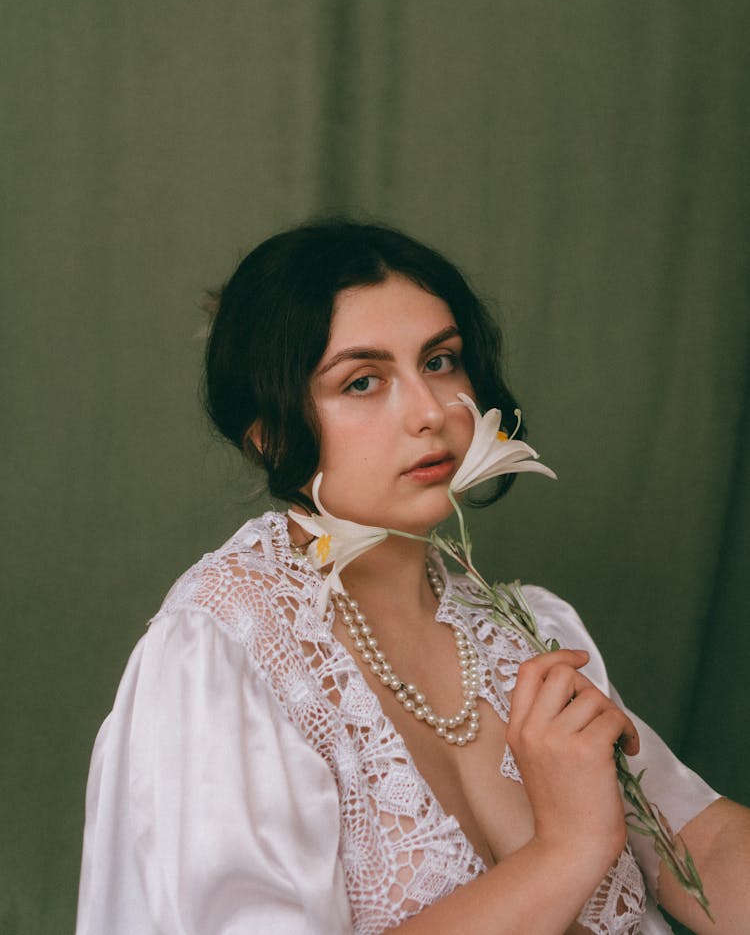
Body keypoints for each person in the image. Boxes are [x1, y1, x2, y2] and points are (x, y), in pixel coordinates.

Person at [77, 219, 750, 935]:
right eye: (362, 381)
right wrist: (567, 848)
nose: (430, 412)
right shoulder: (224, 655)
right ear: (268, 433)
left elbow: (703, 842)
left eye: (440, 361)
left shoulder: (526, 629)